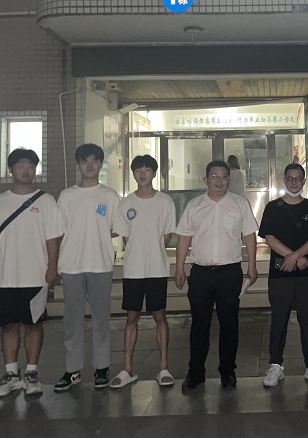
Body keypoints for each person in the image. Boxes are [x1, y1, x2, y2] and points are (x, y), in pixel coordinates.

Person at [0, 148, 63, 398]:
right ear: (11, 170)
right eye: (20, 165)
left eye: (30, 165)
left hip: (35, 275)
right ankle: (11, 374)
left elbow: (53, 239)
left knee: (34, 325)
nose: (26, 170)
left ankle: (32, 373)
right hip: (3, 277)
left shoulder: (46, 201)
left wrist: (52, 267)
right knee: (8, 326)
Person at [175, 160, 259, 391]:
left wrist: (252, 266)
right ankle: (195, 373)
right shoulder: (194, 205)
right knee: (199, 324)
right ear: (206, 179)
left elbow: (249, 235)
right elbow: (184, 237)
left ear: (229, 180)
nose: (219, 181)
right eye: (214, 176)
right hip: (200, 273)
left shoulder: (240, 203)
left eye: (223, 176)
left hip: (229, 273)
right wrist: (179, 267)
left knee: (229, 324)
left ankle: (227, 372)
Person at [54, 143, 119, 392]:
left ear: (101, 164)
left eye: (94, 161)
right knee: (72, 320)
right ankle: (72, 370)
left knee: (101, 319)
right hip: (71, 265)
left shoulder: (110, 196)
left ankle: (102, 368)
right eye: (84, 161)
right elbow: (59, 230)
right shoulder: (67, 196)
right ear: (78, 165)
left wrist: (96, 236)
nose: (89, 165)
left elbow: (115, 227)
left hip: (100, 263)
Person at [110, 154, 177, 388]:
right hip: (133, 269)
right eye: (138, 170)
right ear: (133, 174)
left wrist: (152, 250)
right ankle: (127, 369)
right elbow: (125, 237)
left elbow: (167, 236)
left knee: (160, 316)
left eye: (147, 169)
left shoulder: (165, 201)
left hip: (157, 268)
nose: (142, 174)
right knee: (131, 317)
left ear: (154, 173)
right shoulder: (126, 203)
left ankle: (164, 367)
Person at [259, 163, 308, 387]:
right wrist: (292, 257)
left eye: (298, 178)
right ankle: (275, 366)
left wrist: (296, 256)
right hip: (280, 275)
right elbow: (269, 238)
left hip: (306, 275)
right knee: (278, 321)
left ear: (304, 181)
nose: (294, 182)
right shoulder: (273, 207)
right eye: (290, 178)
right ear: (284, 180)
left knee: (307, 321)